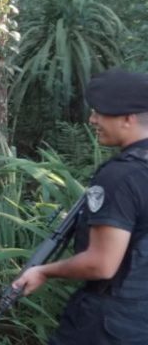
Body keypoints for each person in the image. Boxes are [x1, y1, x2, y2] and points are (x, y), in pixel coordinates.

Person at [12, 68, 148, 344]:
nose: (92, 119)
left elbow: (101, 264)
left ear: (128, 118)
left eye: (99, 112)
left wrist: (44, 271)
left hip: (110, 325)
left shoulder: (120, 177)